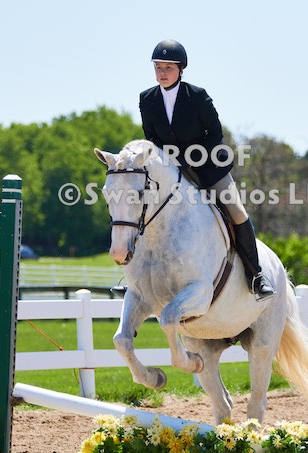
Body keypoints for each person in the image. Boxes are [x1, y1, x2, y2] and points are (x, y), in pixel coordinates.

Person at [111, 39, 275, 302]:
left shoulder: (197, 96)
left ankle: (256, 276)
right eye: (158, 67)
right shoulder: (147, 99)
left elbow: (215, 134)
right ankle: (136, 281)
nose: (162, 72)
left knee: (237, 212)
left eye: (168, 67)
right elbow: (152, 138)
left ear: (181, 69)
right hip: (171, 170)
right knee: (143, 212)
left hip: (208, 168)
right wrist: (168, 164)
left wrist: (191, 159)